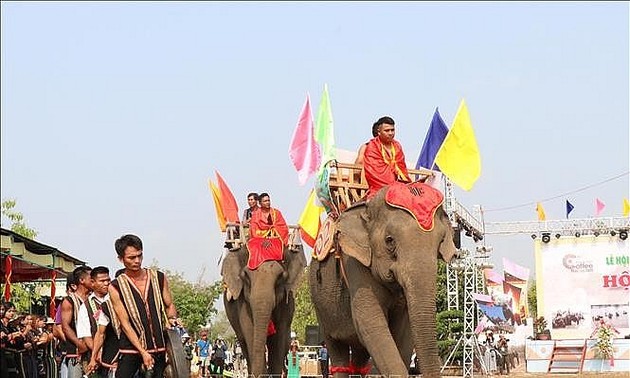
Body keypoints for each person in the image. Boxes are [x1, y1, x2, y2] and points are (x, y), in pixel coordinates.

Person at [108, 234, 180, 378]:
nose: (137, 261)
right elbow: (125, 324)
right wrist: (142, 351)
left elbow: (169, 304)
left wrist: (172, 318)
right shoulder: (115, 287)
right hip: (131, 349)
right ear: (121, 259)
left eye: (139, 256)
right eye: (131, 258)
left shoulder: (159, 277)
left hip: (158, 347)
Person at [362, 116, 411, 198]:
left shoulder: (397, 146)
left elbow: (401, 167)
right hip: (380, 185)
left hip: (398, 184)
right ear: (379, 131)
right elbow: (374, 171)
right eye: (387, 130)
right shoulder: (372, 146)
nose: (390, 133)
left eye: (392, 130)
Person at [77, 266, 111, 377]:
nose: (106, 283)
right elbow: (86, 336)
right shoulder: (85, 307)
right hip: (96, 359)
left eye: (108, 280)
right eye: (102, 281)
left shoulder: (114, 300)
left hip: (118, 356)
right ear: (92, 282)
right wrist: (98, 352)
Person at [61, 265, 92, 378]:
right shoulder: (69, 301)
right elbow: (65, 326)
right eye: (91, 277)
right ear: (82, 280)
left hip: (94, 351)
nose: (93, 280)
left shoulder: (93, 299)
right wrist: (79, 343)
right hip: (76, 352)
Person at [247, 193, 289, 268]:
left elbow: (283, 227)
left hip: (275, 238)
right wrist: (264, 238)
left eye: (268, 200)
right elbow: (254, 230)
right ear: (260, 203)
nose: (268, 202)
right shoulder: (256, 214)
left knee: (282, 249)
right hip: (259, 239)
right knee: (255, 247)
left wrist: (273, 230)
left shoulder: (276, 213)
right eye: (265, 201)